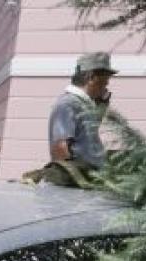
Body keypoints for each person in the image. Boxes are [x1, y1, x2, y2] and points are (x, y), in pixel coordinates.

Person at [48, 51, 116, 179]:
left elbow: (87, 134)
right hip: (78, 187)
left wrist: (101, 105)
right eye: (103, 83)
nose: (105, 88)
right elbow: (60, 149)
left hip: (90, 180)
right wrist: (80, 183)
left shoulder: (83, 103)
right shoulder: (68, 104)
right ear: (91, 78)